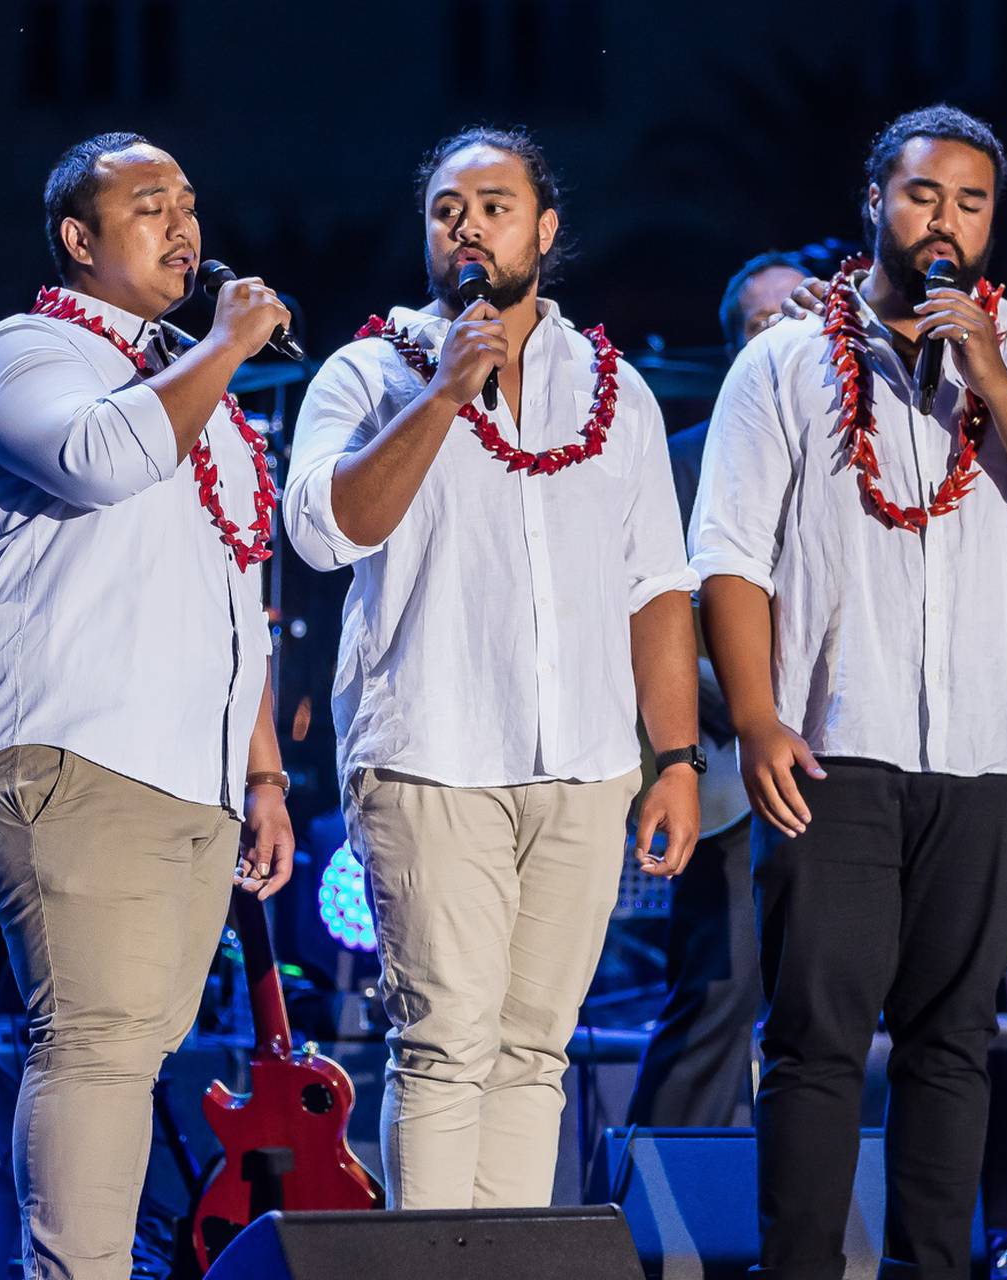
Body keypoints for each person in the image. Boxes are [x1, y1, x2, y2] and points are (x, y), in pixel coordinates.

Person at [692, 104, 1007, 1279]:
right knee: (817, 1041)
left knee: (953, 1042)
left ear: (994, 222)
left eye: (970, 202)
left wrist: (988, 371)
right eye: (921, 194)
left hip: (998, 748)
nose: (944, 220)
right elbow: (728, 553)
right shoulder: (783, 361)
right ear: (874, 200)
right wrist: (753, 718)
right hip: (832, 742)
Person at [284, 126, 701, 1209]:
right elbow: (330, 533)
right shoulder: (369, 373)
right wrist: (442, 398)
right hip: (432, 754)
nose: (467, 223)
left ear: (545, 228)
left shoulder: (617, 392)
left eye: (494, 203)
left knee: (533, 1050)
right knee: (445, 1044)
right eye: (445, 208)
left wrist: (676, 757)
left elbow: (657, 586)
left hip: (587, 765)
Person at [0, 131, 298, 1280]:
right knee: (94, 1044)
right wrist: (234, 342)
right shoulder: (28, 349)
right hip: (70, 750)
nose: (183, 224)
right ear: (80, 239)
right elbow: (97, 456)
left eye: (190, 201)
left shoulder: (202, 389)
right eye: (150, 204)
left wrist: (264, 777)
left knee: (134, 1049)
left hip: (188, 774)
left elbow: (239, 590)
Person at [624, 249, 805, 1129]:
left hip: (845, 762)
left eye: (798, 315)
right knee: (719, 993)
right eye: (764, 322)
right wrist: (736, 715)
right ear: (737, 349)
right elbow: (658, 606)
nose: (784, 332)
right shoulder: (687, 457)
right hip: (733, 769)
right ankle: (655, 1220)